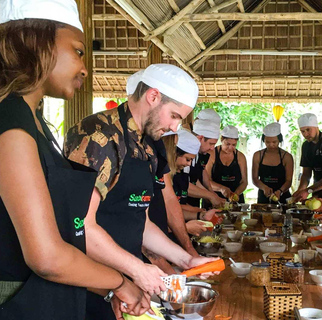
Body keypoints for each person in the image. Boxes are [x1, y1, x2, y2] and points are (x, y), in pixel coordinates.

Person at [0, 1, 149, 318]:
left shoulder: (35, 123)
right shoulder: (9, 121)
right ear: (36, 40)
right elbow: (47, 258)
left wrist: (106, 288)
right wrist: (120, 283)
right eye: (78, 51)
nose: (84, 68)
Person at [64, 64, 218, 320]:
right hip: (90, 285)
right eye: (175, 116)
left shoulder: (148, 146)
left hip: (126, 284)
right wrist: (137, 270)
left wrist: (185, 260)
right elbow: (80, 226)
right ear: (153, 96)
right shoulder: (98, 136)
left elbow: (141, 223)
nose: (175, 127)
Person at [184, 110, 225, 208]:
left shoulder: (197, 152)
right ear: (200, 138)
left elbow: (195, 178)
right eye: (211, 144)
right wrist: (209, 195)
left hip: (191, 206)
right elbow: (184, 183)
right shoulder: (184, 150)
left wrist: (210, 194)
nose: (212, 148)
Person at [252, 122, 293, 204]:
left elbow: (288, 181)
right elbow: (255, 178)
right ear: (263, 140)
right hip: (263, 197)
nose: (271, 145)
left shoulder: (287, 157)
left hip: (282, 197)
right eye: (267, 142)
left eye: (274, 142)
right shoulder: (258, 155)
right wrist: (264, 188)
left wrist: (280, 191)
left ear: (279, 140)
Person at [205, 125, 248, 203]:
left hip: (235, 200)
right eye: (227, 144)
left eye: (234, 145)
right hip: (214, 198)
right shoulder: (211, 154)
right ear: (221, 139)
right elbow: (206, 181)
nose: (230, 148)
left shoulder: (240, 157)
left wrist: (236, 194)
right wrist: (221, 188)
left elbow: (244, 182)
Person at [292, 113, 322, 202]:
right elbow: (306, 174)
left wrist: (308, 190)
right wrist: (300, 191)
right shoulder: (306, 146)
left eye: (308, 130)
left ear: (316, 126)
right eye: (302, 131)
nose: (306, 134)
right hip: (316, 190)